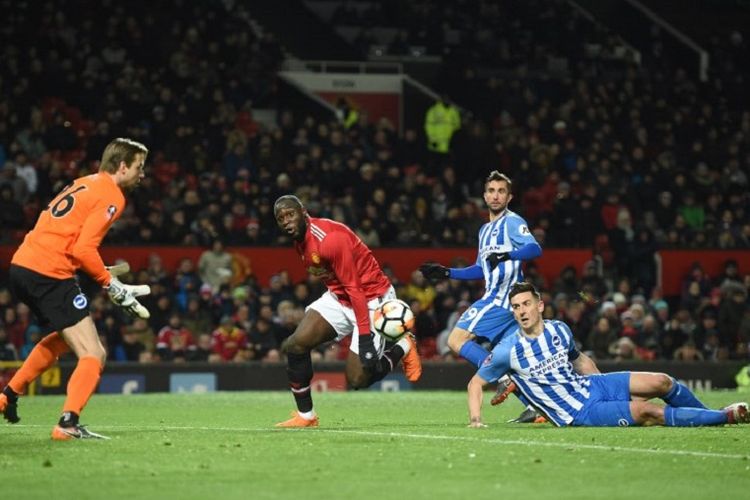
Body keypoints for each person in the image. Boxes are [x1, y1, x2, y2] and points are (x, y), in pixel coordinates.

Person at [0, 138, 152, 440]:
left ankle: (7, 395)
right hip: (49, 272)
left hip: (22, 267)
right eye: (139, 167)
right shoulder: (113, 195)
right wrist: (110, 285)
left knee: (63, 340)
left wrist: (99, 270)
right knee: (94, 353)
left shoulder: (84, 182)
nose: (142, 174)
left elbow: (71, 242)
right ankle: (67, 424)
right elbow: (84, 249)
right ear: (122, 167)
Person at [467, 282, 749, 428]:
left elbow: (579, 360)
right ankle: (724, 417)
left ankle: (705, 415)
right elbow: (475, 384)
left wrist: (606, 391)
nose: (521, 311)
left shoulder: (559, 329)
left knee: (663, 382)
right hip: (577, 412)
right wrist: (476, 420)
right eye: (516, 307)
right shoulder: (508, 349)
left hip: (592, 387)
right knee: (647, 412)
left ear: (540, 306)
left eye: (526, 304)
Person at [273, 195, 422, 428]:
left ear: (303, 212)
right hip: (340, 296)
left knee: (358, 379)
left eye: (290, 214)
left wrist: (364, 336)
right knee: (295, 344)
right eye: (281, 218)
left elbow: (355, 288)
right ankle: (306, 416)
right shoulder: (300, 239)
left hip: (371, 299)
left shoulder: (329, 239)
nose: (286, 221)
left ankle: (405, 346)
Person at [419, 171, 542, 420]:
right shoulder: (485, 230)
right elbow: (480, 268)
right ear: (485, 196)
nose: (496, 196)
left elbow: (534, 248)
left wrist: (509, 255)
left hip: (501, 298)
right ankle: (535, 406)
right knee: (512, 357)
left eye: (501, 191)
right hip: (506, 304)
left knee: (455, 340)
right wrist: (447, 272)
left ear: (509, 197)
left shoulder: (512, 222)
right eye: (491, 191)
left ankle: (503, 378)